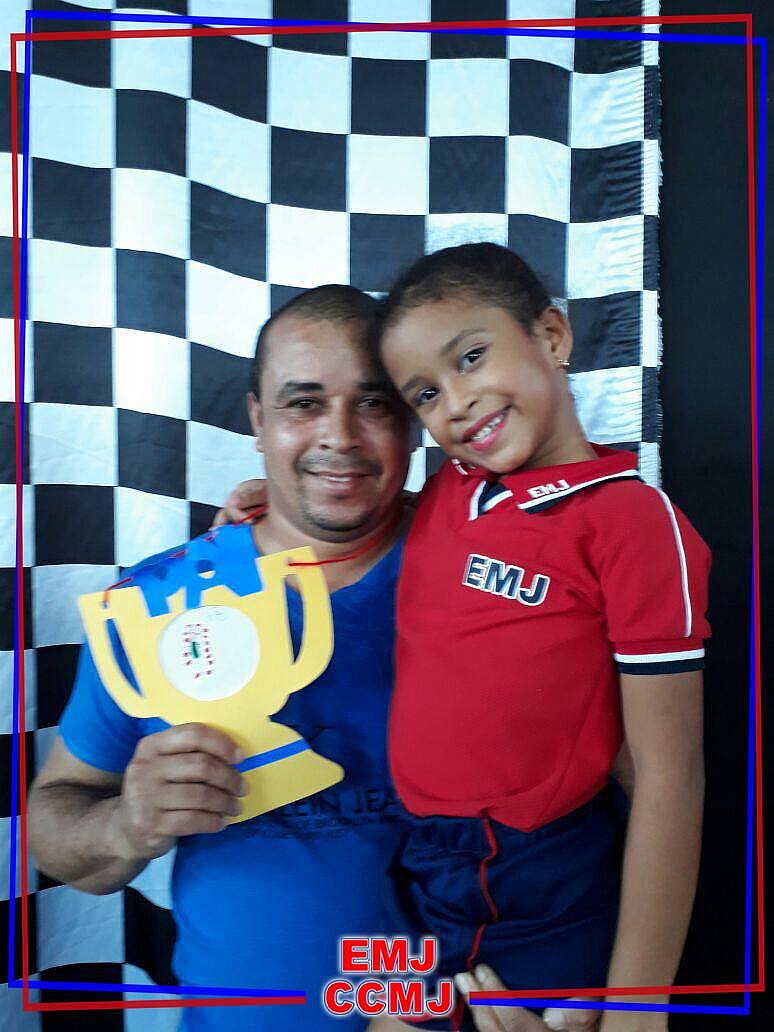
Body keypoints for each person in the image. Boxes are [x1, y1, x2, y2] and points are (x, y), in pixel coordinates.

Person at [28, 284, 581, 1032]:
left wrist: (604, 1000)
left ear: (411, 421)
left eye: (373, 403)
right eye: (303, 403)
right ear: (258, 419)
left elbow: (617, 785)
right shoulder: (158, 603)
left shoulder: (501, 572)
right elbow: (56, 826)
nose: (339, 436)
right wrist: (126, 825)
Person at [375, 243, 710, 1032]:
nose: (456, 402)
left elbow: (670, 777)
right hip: (421, 864)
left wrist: (638, 1010)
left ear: (552, 336)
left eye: (471, 357)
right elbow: (372, 523)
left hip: (538, 874)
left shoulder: (630, 522)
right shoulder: (450, 492)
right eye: (426, 393)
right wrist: (265, 506)